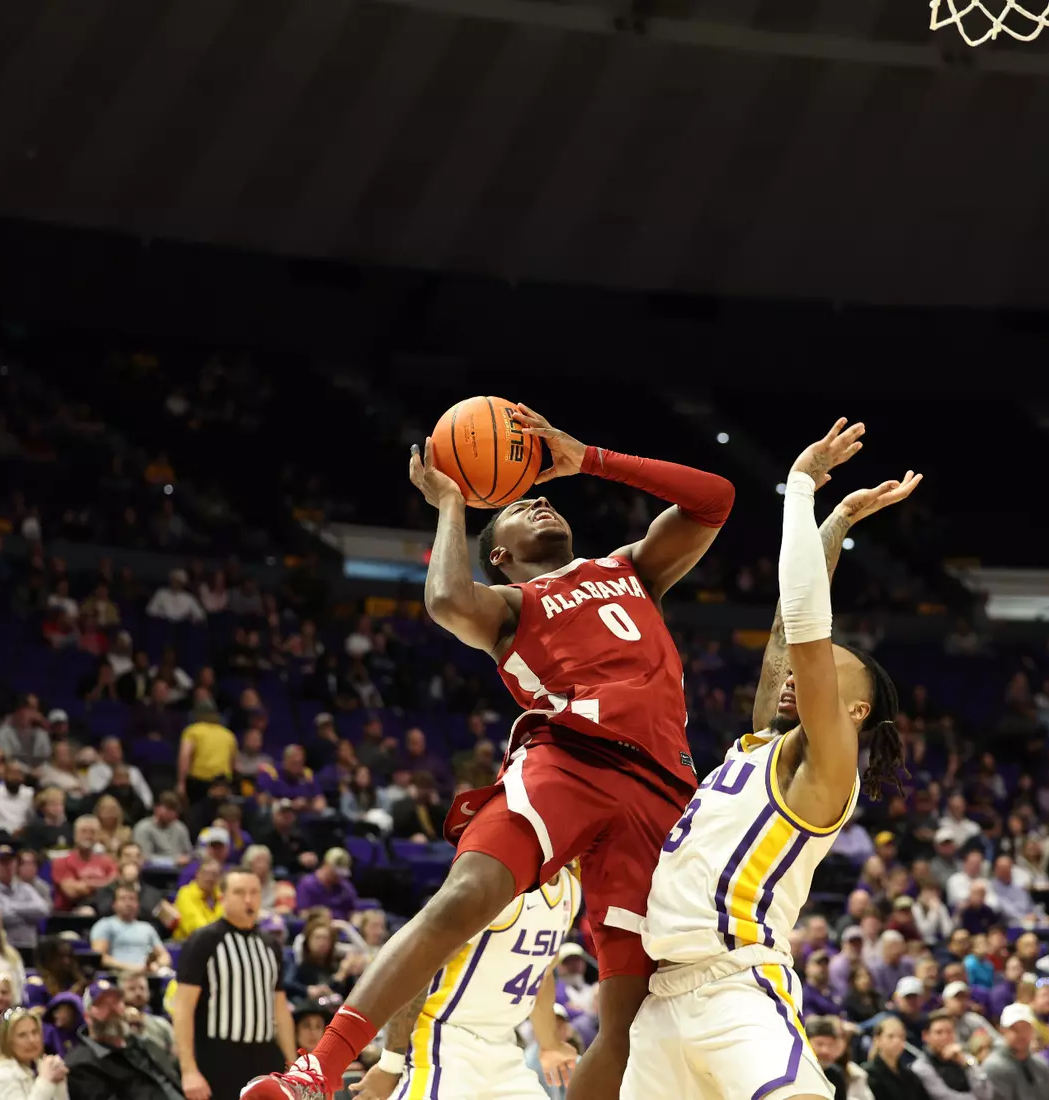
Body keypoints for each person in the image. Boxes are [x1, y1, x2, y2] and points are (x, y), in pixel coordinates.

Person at [247, 406, 737, 1100]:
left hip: (662, 790)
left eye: (540, 495)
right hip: (571, 755)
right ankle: (316, 1070)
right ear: (499, 553)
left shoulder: (632, 569)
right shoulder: (509, 603)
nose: (536, 499)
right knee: (468, 893)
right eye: (513, 507)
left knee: (629, 1021)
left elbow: (716, 497)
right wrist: (450, 503)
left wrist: (589, 456)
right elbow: (447, 598)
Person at [620, 423, 912, 1100]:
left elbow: (809, 627)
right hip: (661, 1000)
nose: (792, 677)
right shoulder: (758, 747)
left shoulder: (827, 769)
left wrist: (803, 488)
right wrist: (836, 522)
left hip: (738, 989)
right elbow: (789, 629)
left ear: (854, 712)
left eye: (819, 676)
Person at [353, 864, 580, 1100]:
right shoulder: (497, 880)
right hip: (444, 1042)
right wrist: (390, 1065)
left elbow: (542, 974)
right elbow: (416, 967)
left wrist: (550, 1044)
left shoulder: (570, 889)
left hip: (504, 1049)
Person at [176, 870, 292, 1100]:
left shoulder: (271, 945)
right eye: (239, 893)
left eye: (254, 892)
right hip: (217, 1057)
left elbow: (279, 1008)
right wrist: (188, 1070)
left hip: (265, 1056)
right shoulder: (203, 941)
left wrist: (292, 1063)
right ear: (223, 898)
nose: (248, 900)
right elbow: (183, 1007)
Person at [63, 979, 186, 1100]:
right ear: (87, 1017)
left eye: (116, 1002)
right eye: (103, 1005)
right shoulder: (81, 1065)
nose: (113, 1009)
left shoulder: (141, 1042)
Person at [0, 846, 51, 952]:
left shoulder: (25, 888)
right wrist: (28, 917)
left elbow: (43, 910)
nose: (7, 866)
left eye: (10, 861)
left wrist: (11, 906)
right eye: (2, 862)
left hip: (29, 948)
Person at [0, 1007, 69, 1100]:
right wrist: (46, 1080)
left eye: (34, 1032)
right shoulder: (1, 1077)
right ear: (8, 1041)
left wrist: (59, 1081)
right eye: (22, 1035)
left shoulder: (39, 1065)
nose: (32, 1040)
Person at [981, 1004, 1049, 1100]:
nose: (1020, 1034)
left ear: (1032, 1029)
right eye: (1014, 1028)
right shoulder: (993, 1067)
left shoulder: (1041, 1064)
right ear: (1002, 1030)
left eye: (1025, 1028)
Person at [91, 885, 171, 972]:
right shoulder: (105, 925)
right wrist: (130, 968)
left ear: (137, 904)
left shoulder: (147, 927)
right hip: (118, 974)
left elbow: (165, 956)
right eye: (123, 899)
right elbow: (99, 957)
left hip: (146, 975)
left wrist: (156, 964)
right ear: (114, 904)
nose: (128, 903)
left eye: (132, 899)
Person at [866, 1014, 927, 1100]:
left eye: (901, 1036)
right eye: (891, 1036)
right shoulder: (868, 1073)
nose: (897, 1041)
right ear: (877, 1040)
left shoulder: (910, 1076)